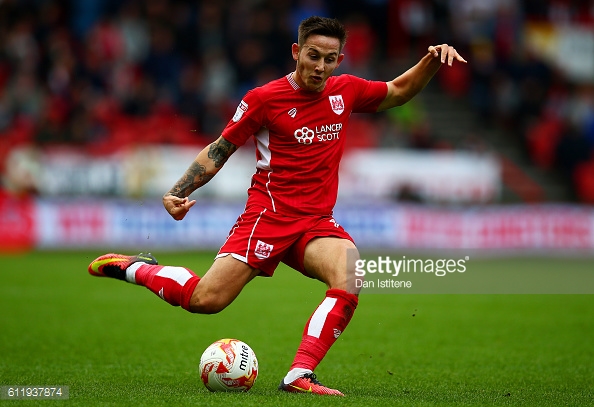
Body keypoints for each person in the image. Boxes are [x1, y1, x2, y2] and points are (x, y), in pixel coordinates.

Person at [88, 16, 466, 396]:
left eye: (330, 59)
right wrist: (179, 189)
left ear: (340, 59)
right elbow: (221, 149)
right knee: (205, 300)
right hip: (268, 218)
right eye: (313, 56)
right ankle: (137, 268)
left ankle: (299, 375)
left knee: (350, 276)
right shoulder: (264, 99)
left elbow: (398, 91)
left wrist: (431, 60)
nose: (320, 66)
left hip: (316, 222)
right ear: (296, 52)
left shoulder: (345, 91)